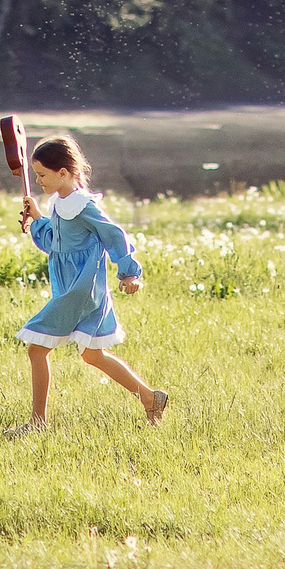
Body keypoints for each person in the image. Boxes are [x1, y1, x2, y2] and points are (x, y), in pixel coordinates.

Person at [12, 135, 167, 432]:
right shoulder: (59, 202)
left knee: (36, 348)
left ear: (63, 173)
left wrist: (129, 272)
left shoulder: (84, 206)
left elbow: (114, 236)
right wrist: (37, 217)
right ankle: (150, 398)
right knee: (92, 354)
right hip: (72, 286)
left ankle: (37, 422)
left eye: (43, 175)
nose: (39, 181)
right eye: (36, 175)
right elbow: (56, 243)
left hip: (81, 290)